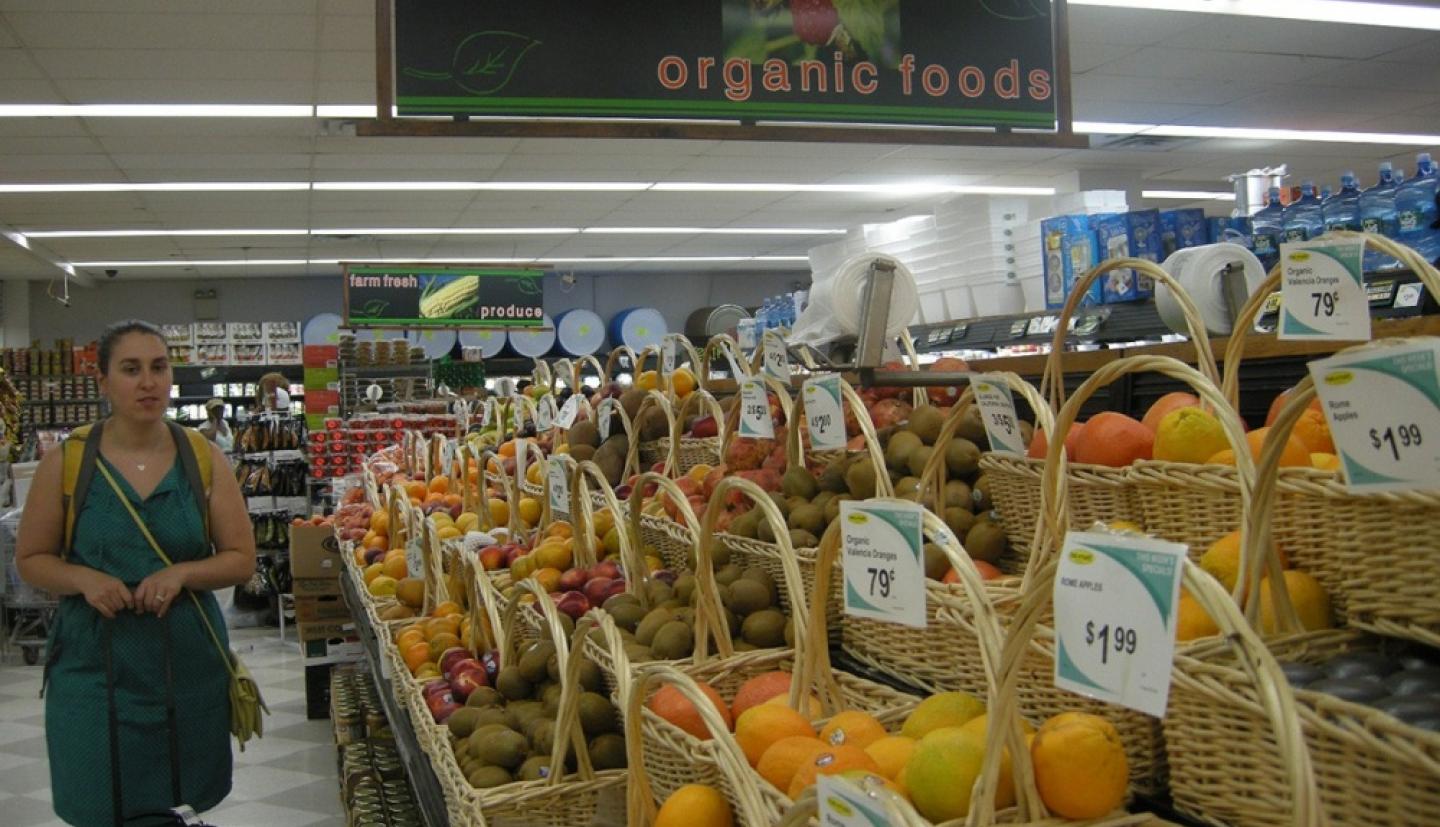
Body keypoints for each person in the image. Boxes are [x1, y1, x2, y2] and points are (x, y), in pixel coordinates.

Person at [15, 319, 256, 825]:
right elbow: (32, 558)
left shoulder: (203, 458)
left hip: (186, 664)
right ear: (102, 381)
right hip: (93, 667)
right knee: (99, 798)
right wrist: (84, 579)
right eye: (131, 369)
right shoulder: (68, 463)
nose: (148, 382)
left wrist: (183, 573)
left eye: (158, 367)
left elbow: (240, 558)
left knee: (182, 795)